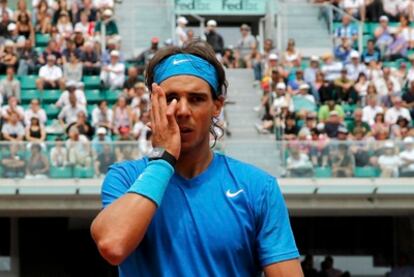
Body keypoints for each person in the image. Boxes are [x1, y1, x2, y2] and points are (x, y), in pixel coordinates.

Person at [90, 41, 302, 276]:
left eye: (196, 99)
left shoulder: (257, 187)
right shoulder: (125, 178)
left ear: (217, 106)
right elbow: (112, 244)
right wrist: (163, 159)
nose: (182, 110)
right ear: (154, 104)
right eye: (170, 98)